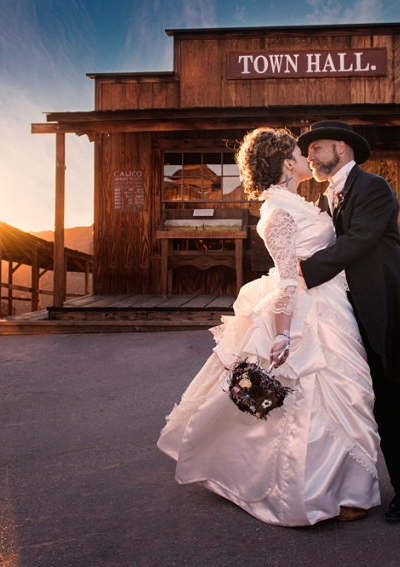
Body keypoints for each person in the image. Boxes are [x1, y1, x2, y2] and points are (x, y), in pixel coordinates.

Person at [157, 127, 381, 526]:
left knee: (346, 395)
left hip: (332, 303)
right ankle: (319, 491)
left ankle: (347, 487)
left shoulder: (299, 202)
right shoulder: (278, 213)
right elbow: (287, 280)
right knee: (316, 398)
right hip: (308, 311)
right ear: (286, 163)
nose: (307, 158)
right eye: (300, 152)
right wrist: (281, 333)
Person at [297, 121, 400, 521]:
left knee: (393, 395)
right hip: (343, 310)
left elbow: (360, 240)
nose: (310, 157)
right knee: (349, 397)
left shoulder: (374, 188)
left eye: (317, 148)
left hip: (381, 307)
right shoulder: (325, 197)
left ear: (343, 149)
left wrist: (302, 270)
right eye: (309, 151)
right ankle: (348, 484)